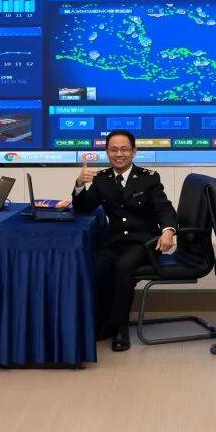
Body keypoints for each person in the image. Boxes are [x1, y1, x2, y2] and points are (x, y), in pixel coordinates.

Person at [72, 130, 177, 352]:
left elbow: (164, 208)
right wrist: (79, 184)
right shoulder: (102, 179)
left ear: (134, 152)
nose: (119, 154)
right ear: (107, 152)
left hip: (144, 243)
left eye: (124, 149)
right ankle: (103, 323)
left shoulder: (149, 178)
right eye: (113, 150)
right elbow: (84, 207)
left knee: (123, 267)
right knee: (98, 266)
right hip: (115, 241)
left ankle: (120, 327)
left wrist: (168, 231)